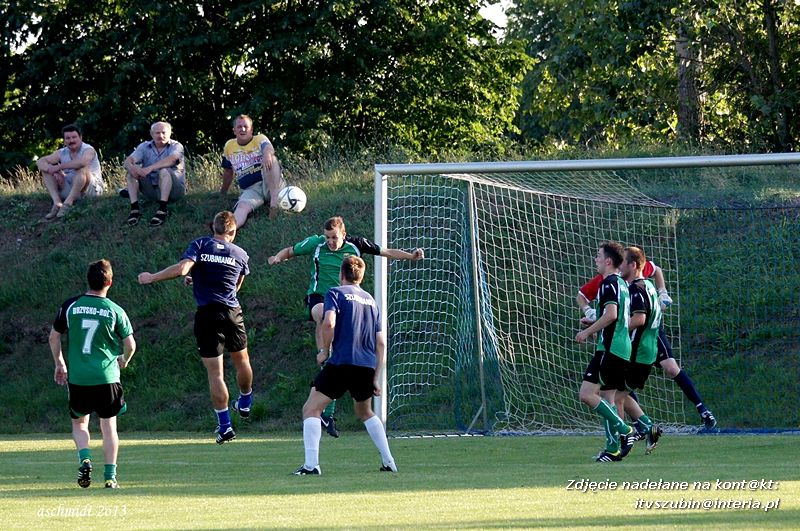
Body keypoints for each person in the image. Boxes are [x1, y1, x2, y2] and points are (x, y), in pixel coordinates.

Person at [268, 216, 424, 437]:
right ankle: (324, 351)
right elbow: (290, 250)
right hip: (319, 298)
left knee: (339, 363)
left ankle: (327, 414)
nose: (331, 241)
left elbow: (386, 252)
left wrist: (410, 256)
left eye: (335, 237)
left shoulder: (356, 245)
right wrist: (277, 257)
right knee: (323, 314)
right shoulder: (316, 243)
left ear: (344, 234)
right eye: (328, 237)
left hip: (346, 303)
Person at [138, 211, 253, 444]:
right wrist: (200, 279)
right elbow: (234, 286)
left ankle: (225, 426)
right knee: (242, 361)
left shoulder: (201, 244)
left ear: (214, 228)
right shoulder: (241, 254)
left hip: (208, 314)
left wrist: (152, 277)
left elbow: (182, 269)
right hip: (232, 312)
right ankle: (246, 401)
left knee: (216, 373)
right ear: (233, 231)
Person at [577, 258, 717, 430]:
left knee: (668, 368)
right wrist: (591, 313)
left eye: (599, 255)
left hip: (647, 332)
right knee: (617, 388)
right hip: (626, 337)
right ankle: (640, 427)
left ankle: (701, 409)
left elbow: (656, 270)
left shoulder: (633, 272)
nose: (595, 259)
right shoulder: (605, 279)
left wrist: (663, 292)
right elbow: (582, 296)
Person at [294, 256, 397, 475]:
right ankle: (389, 461)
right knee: (365, 412)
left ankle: (311, 466)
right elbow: (381, 343)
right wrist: (376, 377)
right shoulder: (371, 301)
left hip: (341, 362)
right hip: (366, 365)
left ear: (342, 274)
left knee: (311, 409)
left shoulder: (335, 293)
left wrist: (324, 350)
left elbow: (329, 322)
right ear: (361, 276)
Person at [49, 259, 136, 489]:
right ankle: (110, 477)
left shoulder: (71, 306)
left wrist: (60, 363)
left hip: (79, 378)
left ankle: (85, 458)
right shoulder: (115, 310)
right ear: (110, 282)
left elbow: (54, 336)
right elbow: (130, 345)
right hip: (107, 377)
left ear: (88, 280)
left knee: (79, 424)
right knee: (109, 428)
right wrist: (123, 360)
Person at [574, 241, 637, 463]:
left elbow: (611, 315)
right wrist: (593, 321)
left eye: (598, 256)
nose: (596, 259)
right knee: (606, 398)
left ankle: (625, 430)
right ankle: (612, 449)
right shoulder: (621, 283)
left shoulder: (609, 283)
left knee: (587, 394)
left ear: (608, 261)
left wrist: (588, 331)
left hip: (610, 348)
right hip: (620, 346)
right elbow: (616, 317)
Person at [618, 246, 663, 455]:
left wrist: (614, 329)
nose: (619, 266)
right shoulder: (649, 286)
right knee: (619, 393)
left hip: (638, 353)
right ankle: (649, 429)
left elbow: (639, 319)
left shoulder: (636, 288)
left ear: (633, 265)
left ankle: (620, 443)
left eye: (623, 262)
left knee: (612, 395)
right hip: (647, 351)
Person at [219, 114, 284, 228]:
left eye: (246, 126)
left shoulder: (259, 139)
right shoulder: (229, 146)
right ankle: (229, 230)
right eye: (239, 127)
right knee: (242, 207)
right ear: (234, 130)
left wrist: (267, 154)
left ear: (251, 129)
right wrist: (223, 192)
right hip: (250, 189)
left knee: (272, 159)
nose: (243, 129)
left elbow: (268, 148)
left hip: (270, 184)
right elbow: (228, 172)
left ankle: (274, 205)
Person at [122, 121, 186, 227]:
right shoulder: (144, 146)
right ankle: (134, 209)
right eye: (157, 133)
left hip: (174, 191)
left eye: (163, 132)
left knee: (164, 171)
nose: (160, 135)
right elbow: (129, 160)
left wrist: (149, 168)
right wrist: (131, 168)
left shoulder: (177, 146)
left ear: (170, 133)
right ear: (151, 134)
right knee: (132, 173)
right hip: (152, 189)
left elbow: (173, 159)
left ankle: (162, 209)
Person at [36, 124, 105, 220]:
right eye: (67, 138)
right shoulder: (62, 152)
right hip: (71, 187)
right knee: (46, 171)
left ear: (80, 137)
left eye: (74, 137)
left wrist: (59, 167)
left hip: (90, 189)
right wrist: (52, 171)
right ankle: (57, 204)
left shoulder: (88, 149)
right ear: (64, 140)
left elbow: (82, 162)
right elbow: (40, 161)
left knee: (82, 168)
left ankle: (68, 203)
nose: (71, 140)